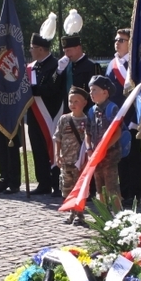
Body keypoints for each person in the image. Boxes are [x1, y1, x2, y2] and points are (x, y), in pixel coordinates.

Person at [25, 33, 65, 195]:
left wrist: (33, 90)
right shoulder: (32, 67)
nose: (30, 51)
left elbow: (53, 89)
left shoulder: (56, 65)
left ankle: (57, 183)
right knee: (38, 149)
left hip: (51, 113)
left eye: (32, 48)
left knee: (54, 148)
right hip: (34, 115)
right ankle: (43, 183)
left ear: (40, 49)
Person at [108, 28, 141, 206]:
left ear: (130, 43)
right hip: (116, 119)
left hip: (132, 118)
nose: (117, 42)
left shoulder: (137, 65)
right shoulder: (112, 64)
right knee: (120, 157)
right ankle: (123, 192)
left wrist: (137, 118)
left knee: (133, 157)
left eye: (122, 40)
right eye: (116, 39)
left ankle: (135, 195)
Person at [86, 75, 123, 213]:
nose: (91, 93)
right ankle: (103, 214)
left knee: (111, 186)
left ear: (105, 92)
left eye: (94, 90)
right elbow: (87, 133)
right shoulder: (91, 111)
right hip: (96, 156)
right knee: (99, 186)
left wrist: (104, 148)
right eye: (90, 90)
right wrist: (89, 149)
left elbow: (117, 132)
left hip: (110, 155)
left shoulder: (112, 109)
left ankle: (118, 214)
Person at [54, 86, 90, 224]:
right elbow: (58, 138)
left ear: (84, 103)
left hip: (80, 162)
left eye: (76, 101)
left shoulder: (87, 121)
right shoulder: (64, 119)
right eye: (70, 101)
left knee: (79, 189)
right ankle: (71, 214)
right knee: (67, 189)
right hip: (66, 160)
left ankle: (80, 215)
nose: (73, 104)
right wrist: (57, 155)